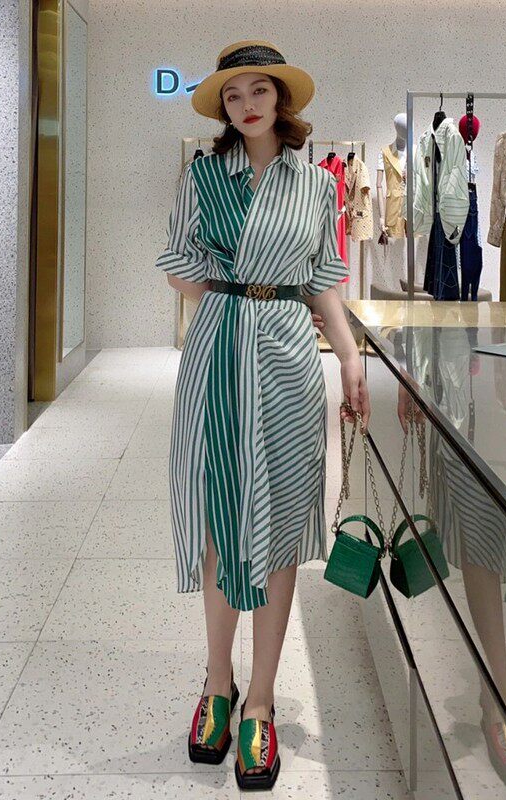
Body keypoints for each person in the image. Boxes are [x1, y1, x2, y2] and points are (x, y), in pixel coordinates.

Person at [155, 39, 371, 791]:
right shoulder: (202, 176)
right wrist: (228, 283)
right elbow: (180, 269)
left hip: (286, 353)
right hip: (218, 348)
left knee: (276, 521)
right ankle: (217, 683)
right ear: (223, 106)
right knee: (222, 515)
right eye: (234, 94)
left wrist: (348, 356)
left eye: (260, 90)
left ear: (282, 99)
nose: (247, 104)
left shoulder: (315, 185)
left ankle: (261, 700)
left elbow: (324, 281)